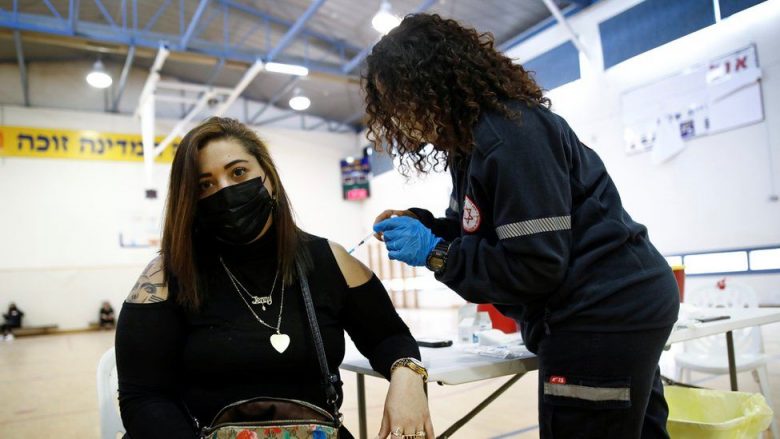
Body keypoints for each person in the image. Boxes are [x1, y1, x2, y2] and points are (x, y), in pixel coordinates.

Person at [364, 14, 680, 439]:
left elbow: (534, 265)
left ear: (432, 83)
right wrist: (425, 224)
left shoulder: (511, 136)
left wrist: (436, 252)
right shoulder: (473, 146)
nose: (400, 119)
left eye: (401, 101)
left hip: (601, 314)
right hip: (615, 307)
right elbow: (481, 232)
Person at [115, 117, 433, 439]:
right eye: (205, 184)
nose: (225, 191)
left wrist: (407, 374)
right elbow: (143, 397)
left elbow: (387, 336)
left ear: (268, 176)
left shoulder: (329, 260)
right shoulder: (168, 276)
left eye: (238, 172)